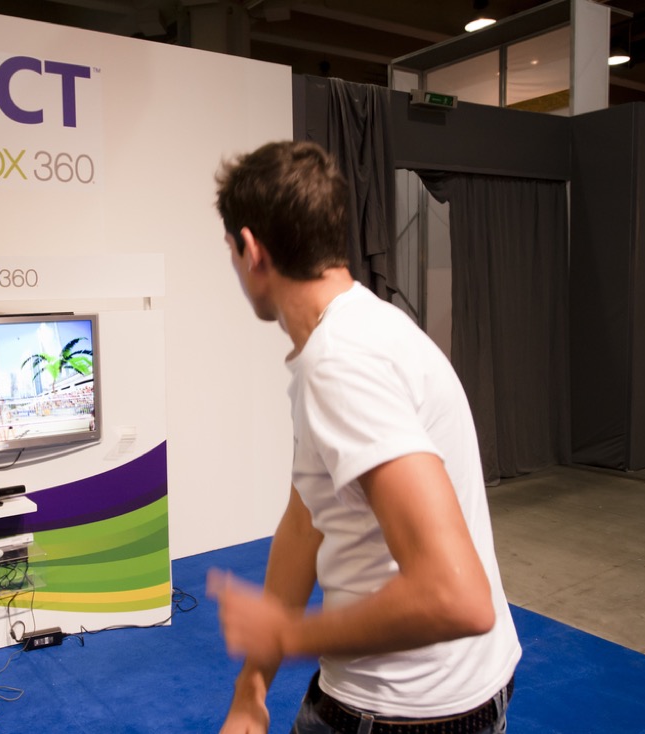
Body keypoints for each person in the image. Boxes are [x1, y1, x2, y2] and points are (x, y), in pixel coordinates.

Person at [208, 140, 521, 734]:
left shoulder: (340, 364)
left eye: (230, 250)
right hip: (449, 697)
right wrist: (252, 686)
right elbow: (306, 519)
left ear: (252, 250)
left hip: (402, 715)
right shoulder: (355, 333)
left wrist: (286, 633)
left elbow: (456, 596)